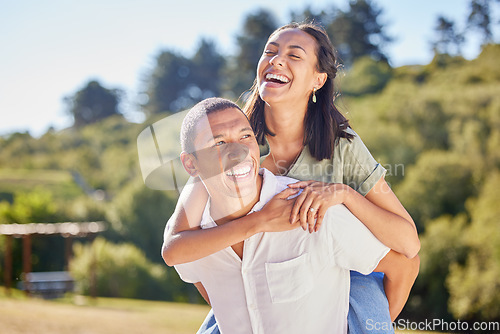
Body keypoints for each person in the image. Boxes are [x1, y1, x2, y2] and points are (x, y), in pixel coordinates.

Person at [162, 22, 420, 333]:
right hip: (265, 277)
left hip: (344, 272)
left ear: (318, 79)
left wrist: (343, 194)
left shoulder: (341, 145)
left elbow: (408, 243)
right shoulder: (236, 142)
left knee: (362, 291)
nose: (277, 59)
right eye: (270, 51)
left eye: (294, 55)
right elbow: (180, 246)